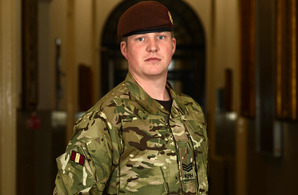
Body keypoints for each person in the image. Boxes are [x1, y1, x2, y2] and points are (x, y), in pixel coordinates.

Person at [54, 1, 208, 194]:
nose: (153, 47)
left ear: (172, 46)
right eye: (141, 39)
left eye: (161, 37)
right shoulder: (104, 119)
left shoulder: (191, 111)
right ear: (124, 50)